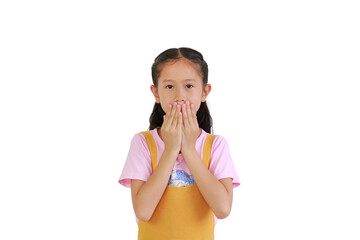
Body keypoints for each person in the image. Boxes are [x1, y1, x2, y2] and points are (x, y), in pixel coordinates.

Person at [118, 47, 240, 240]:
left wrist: (189, 149)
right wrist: (171, 148)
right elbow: (143, 211)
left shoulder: (216, 145)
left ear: (204, 91)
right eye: (169, 87)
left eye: (189, 86)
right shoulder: (142, 143)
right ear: (155, 92)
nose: (179, 96)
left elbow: (223, 208)